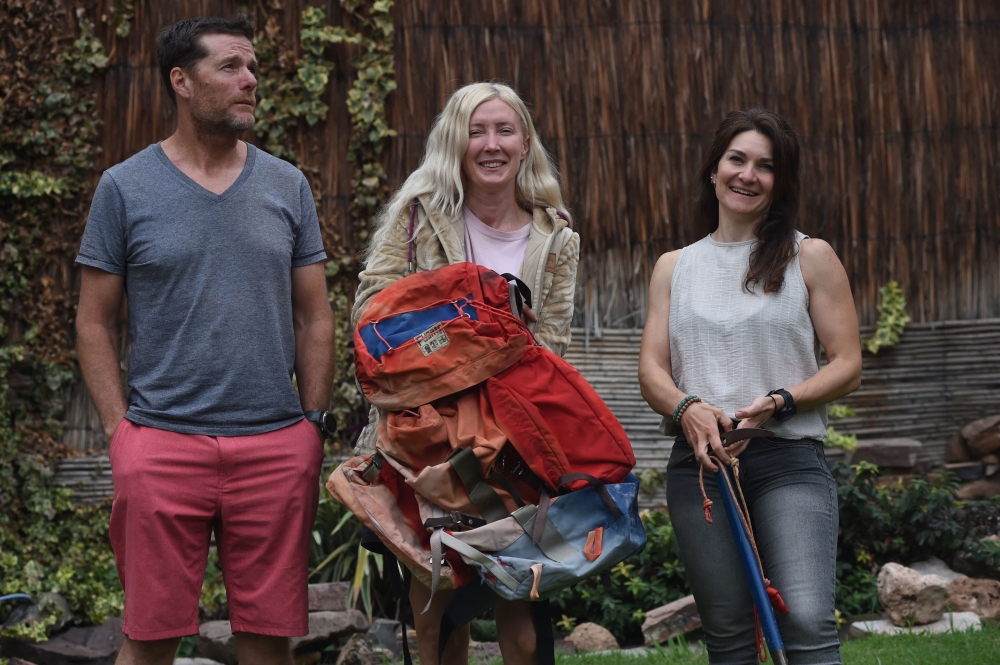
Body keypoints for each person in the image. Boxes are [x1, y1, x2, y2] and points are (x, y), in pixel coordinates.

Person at [75, 16, 335, 665]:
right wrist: (120, 433)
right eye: (230, 67)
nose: (250, 80)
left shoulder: (287, 185)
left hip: (275, 446)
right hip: (161, 444)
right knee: (149, 640)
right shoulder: (124, 187)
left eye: (253, 68)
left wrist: (311, 426)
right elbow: (94, 321)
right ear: (181, 81)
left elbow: (315, 316)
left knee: (268, 643)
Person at [353, 81, 580, 664]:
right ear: (455, 143)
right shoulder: (418, 218)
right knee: (435, 605)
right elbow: (369, 314)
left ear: (525, 144)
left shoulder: (556, 237)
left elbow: (554, 347)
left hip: (513, 443)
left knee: (519, 606)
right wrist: (471, 312)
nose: (491, 144)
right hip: (425, 436)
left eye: (505, 130)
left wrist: (507, 335)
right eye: (476, 131)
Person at [638, 108, 861, 664]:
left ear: (780, 182)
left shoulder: (809, 256)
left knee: (806, 619)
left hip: (788, 460)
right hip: (702, 468)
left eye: (766, 166)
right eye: (736, 159)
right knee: (730, 634)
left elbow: (847, 363)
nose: (747, 175)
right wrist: (687, 407)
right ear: (714, 169)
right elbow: (651, 370)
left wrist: (783, 400)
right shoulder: (674, 267)